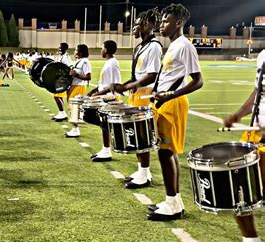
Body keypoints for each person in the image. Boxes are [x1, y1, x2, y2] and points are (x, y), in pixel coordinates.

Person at [147, 3, 203, 221]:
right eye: (161, 20)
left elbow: (198, 81)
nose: (161, 24)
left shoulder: (184, 46)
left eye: (166, 21)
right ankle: (173, 201)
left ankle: (174, 205)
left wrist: (170, 95)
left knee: (167, 152)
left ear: (178, 23)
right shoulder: (172, 46)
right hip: (162, 101)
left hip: (173, 103)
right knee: (164, 151)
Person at [222, 49, 265, 242]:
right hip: (256, 132)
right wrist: (238, 114)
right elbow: (259, 91)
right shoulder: (263, 55)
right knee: (238, 187)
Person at [111, 8, 163, 189]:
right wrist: (124, 85)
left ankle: (144, 174)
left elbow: (151, 75)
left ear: (147, 25)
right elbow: (136, 75)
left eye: (137, 24)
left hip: (145, 94)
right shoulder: (140, 46)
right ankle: (143, 171)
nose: (133, 28)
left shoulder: (155, 46)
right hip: (136, 93)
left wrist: (130, 86)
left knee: (142, 135)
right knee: (135, 132)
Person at [87, 40, 120, 162]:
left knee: (105, 125)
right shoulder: (109, 62)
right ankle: (105, 149)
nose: (101, 50)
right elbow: (103, 83)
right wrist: (94, 91)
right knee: (103, 124)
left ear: (106, 50)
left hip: (109, 98)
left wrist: (98, 94)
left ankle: (107, 151)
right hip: (104, 97)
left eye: (102, 48)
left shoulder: (112, 63)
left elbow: (113, 85)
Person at [65, 44, 91, 138]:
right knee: (71, 107)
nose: (74, 51)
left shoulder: (85, 62)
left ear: (80, 52)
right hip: (73, 86)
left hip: (79, 86)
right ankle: (74, 128)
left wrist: (75, 75)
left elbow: (88, 77)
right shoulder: (79, 61)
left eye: (76, 50)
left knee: (74, 108)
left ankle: (76, 129)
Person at [52, 42, 72, 122]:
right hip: (60, 79)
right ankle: (61, 113)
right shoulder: (62, 56)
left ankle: (62, 113)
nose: (59, 49)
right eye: (59, 47)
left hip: (63, 80)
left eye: (60, 47)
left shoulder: (66, 57)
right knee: (58, 97)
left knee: (57, 96)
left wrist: (64, 78)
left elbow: (69, 68)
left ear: (64, 48)